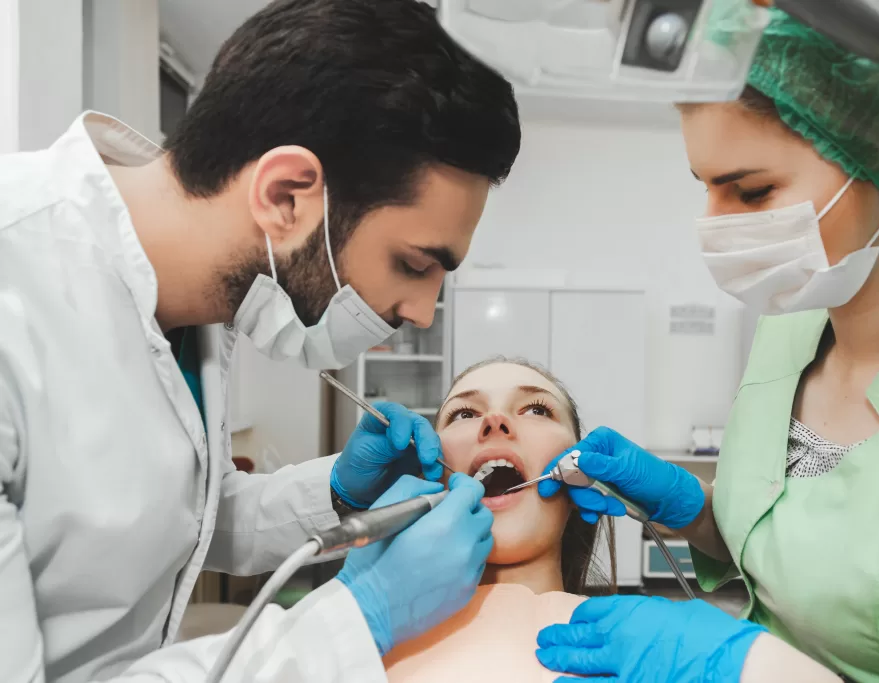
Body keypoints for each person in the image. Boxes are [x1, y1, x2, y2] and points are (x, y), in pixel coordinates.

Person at [0, 0, 520, 681]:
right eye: (414, 263)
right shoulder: (18, 288)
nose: (423, 313)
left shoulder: (194, 307)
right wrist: (362, 617)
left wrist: (336, 490)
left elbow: (172, 518)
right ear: (286, 196)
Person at [535, 2, 879, 682]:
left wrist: (750, 666)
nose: (712, 227)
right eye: (705, 188)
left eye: (751, 191)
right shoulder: (793, 325)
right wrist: (695, 510)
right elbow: (798, 552)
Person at [379, 357, 615, 683]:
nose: (494, 420)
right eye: (465, 414)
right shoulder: (357, 647)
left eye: (536, 409)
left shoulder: (638, 649)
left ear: (581, 477)